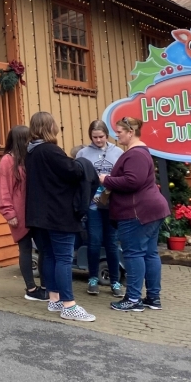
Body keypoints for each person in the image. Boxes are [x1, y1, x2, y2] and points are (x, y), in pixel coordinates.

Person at [25, 111, 97, 322]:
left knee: (50, 256)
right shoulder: (50, 150)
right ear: (50, 127)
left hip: (40, 215)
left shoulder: (31, 152)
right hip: (59, 214)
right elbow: (73, 171)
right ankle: (69, 305)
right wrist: (83, 163)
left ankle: (54, 299)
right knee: (64, 258)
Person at [102, 116, 170, 312]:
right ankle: (153, 298)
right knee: (149, 253)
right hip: (150, 210)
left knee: (133, 254)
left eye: (120, 131)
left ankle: (133, 299)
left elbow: (133, 181)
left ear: (131, 132)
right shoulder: (140, 152)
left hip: (137, 212)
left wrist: (106, 180)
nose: (116, 135)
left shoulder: (136, 154)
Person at [0, 125, 47, 301]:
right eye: (29, 138)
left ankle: (45, 287)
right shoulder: (8, 160)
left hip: (36, 212)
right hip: (19, 213)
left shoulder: (30, 158)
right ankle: (31, 289)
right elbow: (4, 189)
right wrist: (9, 213)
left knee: (44, 249)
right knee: (25, 249)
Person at [75, 120, 124, 297]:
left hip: (112, 205)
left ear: (107, 135)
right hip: (92, 205)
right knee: (94, 242)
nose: (98, 140)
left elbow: (123, 175)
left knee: (111, 243)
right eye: (95, 137)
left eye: (101, 137)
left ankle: (115, 281)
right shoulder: (83, 153)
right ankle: (93, 278)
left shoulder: (118, 152)